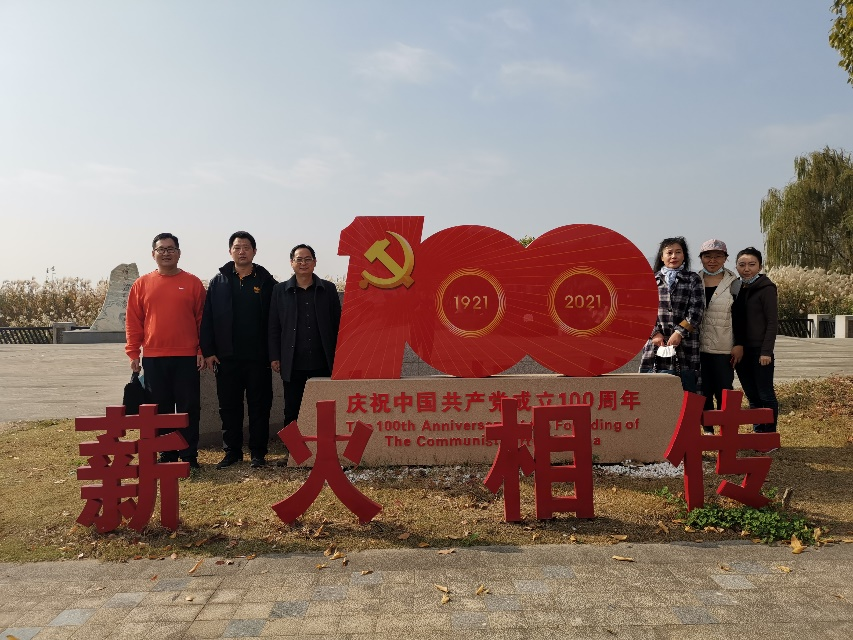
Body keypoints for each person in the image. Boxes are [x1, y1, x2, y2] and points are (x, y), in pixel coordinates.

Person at [125, 233, 206, 467]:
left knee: (188, 407)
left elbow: (202, 320)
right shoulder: (141, 284)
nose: (166, 253)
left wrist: (202, 349)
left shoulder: (193, 283)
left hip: (187, 356)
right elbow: (133, 321)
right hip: (154, 357)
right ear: (153, 254)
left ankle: (189, 455)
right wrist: (133, 352)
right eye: (161, 249)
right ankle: (166, 453)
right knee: (160, 408)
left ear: (179, 253)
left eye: (171, 249)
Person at [200, 231, 277, 469]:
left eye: (246, 247)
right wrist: (209, 351)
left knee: (259, 406)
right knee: (229, 407)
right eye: (237, 247)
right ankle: (232, 451)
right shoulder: (219, 281)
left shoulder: (266, 281)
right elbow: (208, 318)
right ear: (230, 251)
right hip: (227, 358)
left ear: (254, 251)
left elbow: (275, 321)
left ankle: (258, 453)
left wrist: (274, 354)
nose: (241, 251)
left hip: (258, 358)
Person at [268, 244, 341, 439]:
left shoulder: (328, 289)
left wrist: (339, 355)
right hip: (293, 361)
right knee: (292, 408)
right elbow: (274, 326)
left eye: (308, 259)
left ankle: (324, 446)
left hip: (323, 360)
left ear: (315, 262)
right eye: (299, 259)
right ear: (291, 263)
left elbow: (337, 323)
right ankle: (293, 449)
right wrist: (275, 356)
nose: (303, 263)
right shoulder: (280, 290)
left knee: (324, 407)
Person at [639, 237, 704, 392]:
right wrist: (654, 333)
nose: (673, 256)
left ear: (684, 256)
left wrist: (679, 333)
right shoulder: (650, 280)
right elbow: (642, 311)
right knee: (652, 389)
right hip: (656, 343)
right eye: (669, 253)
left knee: (686, 387)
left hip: (685, 343)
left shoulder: (692, 279)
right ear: (662, 257)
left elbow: (697, 310)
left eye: (678, 252)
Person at [732, 247, 779, 433]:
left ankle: (770, 434)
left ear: (759, 266)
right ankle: (759, 432)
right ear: (736, 266)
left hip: (760, 351)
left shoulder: (766, 288)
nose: (746, 269)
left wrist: (766, 351)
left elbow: (772, 322)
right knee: (752, 394)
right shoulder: (736, 287)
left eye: (752, 264)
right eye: (742, 264)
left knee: (765, 394)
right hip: (741, 351)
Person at [697, 239, 741, 433]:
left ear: (725, 258)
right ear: (701, 258)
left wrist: (739, 344)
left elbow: (740, 317)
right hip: (697, 347)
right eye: (707, 256)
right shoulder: (693, 281)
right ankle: (708, 429)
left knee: (724, 390)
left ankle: (727, 431)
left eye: (718, 256)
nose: (712, 260)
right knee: (703, 390)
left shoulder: (735, 284)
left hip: (723, 346)